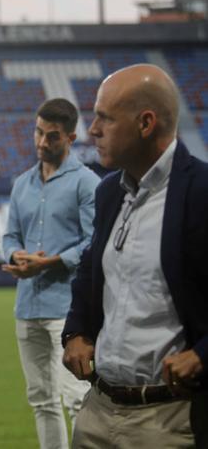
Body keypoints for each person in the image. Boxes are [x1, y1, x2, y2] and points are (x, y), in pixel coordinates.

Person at [62, 64, 208, 448]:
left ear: (146, 123)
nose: (92, 130)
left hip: (167, 419)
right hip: (98, 409)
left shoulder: (201, 193)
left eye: (105, 119)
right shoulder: (110, 192)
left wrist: (202, 355)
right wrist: (76, 330)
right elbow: (91, 271)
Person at [2, 99, 97, 448]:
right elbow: (10, 235)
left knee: (77, 400)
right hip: (27, 307)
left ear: (71, 138)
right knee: (41, 401)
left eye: (52, 136)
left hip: (68, 309)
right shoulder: (22, 184)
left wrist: (52, 261)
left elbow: (94, 242)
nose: (42, 142)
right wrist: (16, 254)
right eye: (39, 133)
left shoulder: (86, 182)